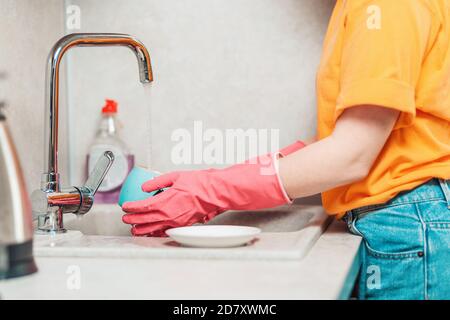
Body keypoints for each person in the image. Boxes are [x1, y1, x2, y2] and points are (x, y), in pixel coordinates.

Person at [122, 0, 450, 300]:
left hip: (408, 217)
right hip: (409, 215)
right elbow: (358, 138)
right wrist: (220, 181)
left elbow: (351, 155)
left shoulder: (384, 6)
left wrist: (213, 190)